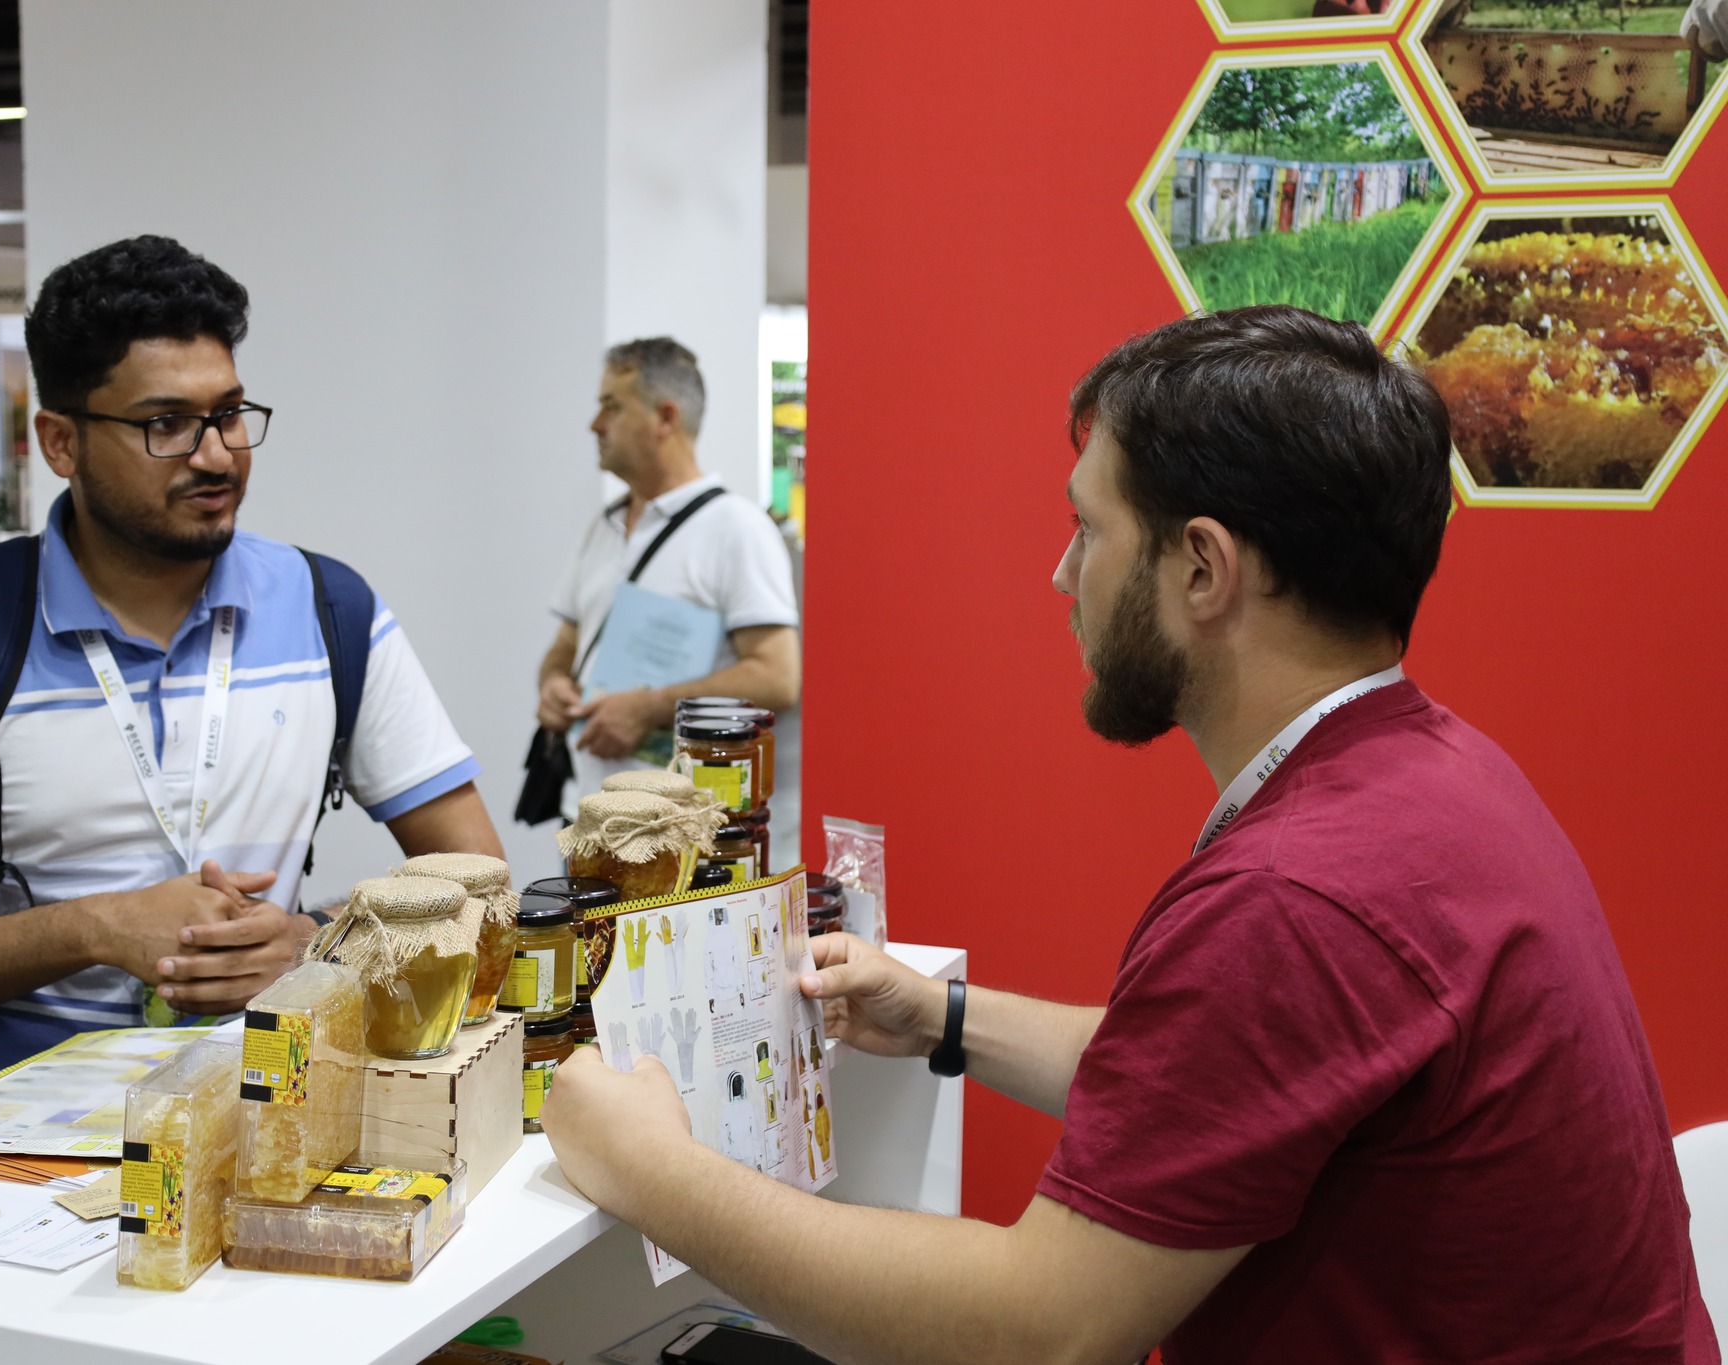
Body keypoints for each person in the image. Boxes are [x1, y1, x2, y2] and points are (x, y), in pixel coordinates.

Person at [543, 307, 1718, 1363]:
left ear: (1201, 568)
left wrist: (652, 1170)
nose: (1062, 574)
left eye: (1087, 528)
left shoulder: (1293, 895)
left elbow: (1037, 1330)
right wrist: (942, 1016)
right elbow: (1206, 1076)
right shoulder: (1432, 774)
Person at [0, 236, 503, 1122]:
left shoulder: (330, 612)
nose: (217, 455)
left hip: (255, 1124)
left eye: (230, 414)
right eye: (165, 424)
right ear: (60, 441)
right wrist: (93, 928)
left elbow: (480, 879)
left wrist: (317, 944)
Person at [534, 338, 798, 805]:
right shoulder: (604, 525)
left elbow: (777, 677)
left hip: (682, 825)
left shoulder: (737, 528)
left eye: (612, 407)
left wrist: (650, 707)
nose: (595, 425)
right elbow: (566, 645)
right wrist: (553, 684)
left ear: (665, 418)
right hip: (588, 813)